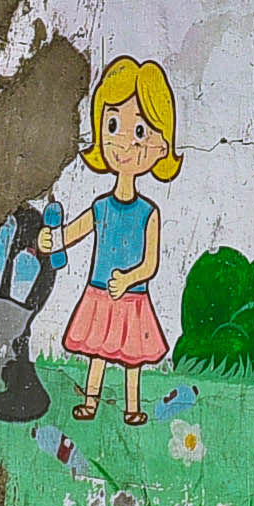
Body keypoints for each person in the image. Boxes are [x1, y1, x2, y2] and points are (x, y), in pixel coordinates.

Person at [49, 57, 180, 425]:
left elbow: (151, 263)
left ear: (159, 147)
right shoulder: (102, 207)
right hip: (99, 292)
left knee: (132, 356)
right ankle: (90, 402)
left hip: (131, 295)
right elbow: (75, 232)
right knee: (98, 351)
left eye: (140, 131)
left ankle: (132, 406)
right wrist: (53, 239)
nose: (123, 141)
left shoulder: (147, 213)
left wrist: (129, 278)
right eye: (113, 125)